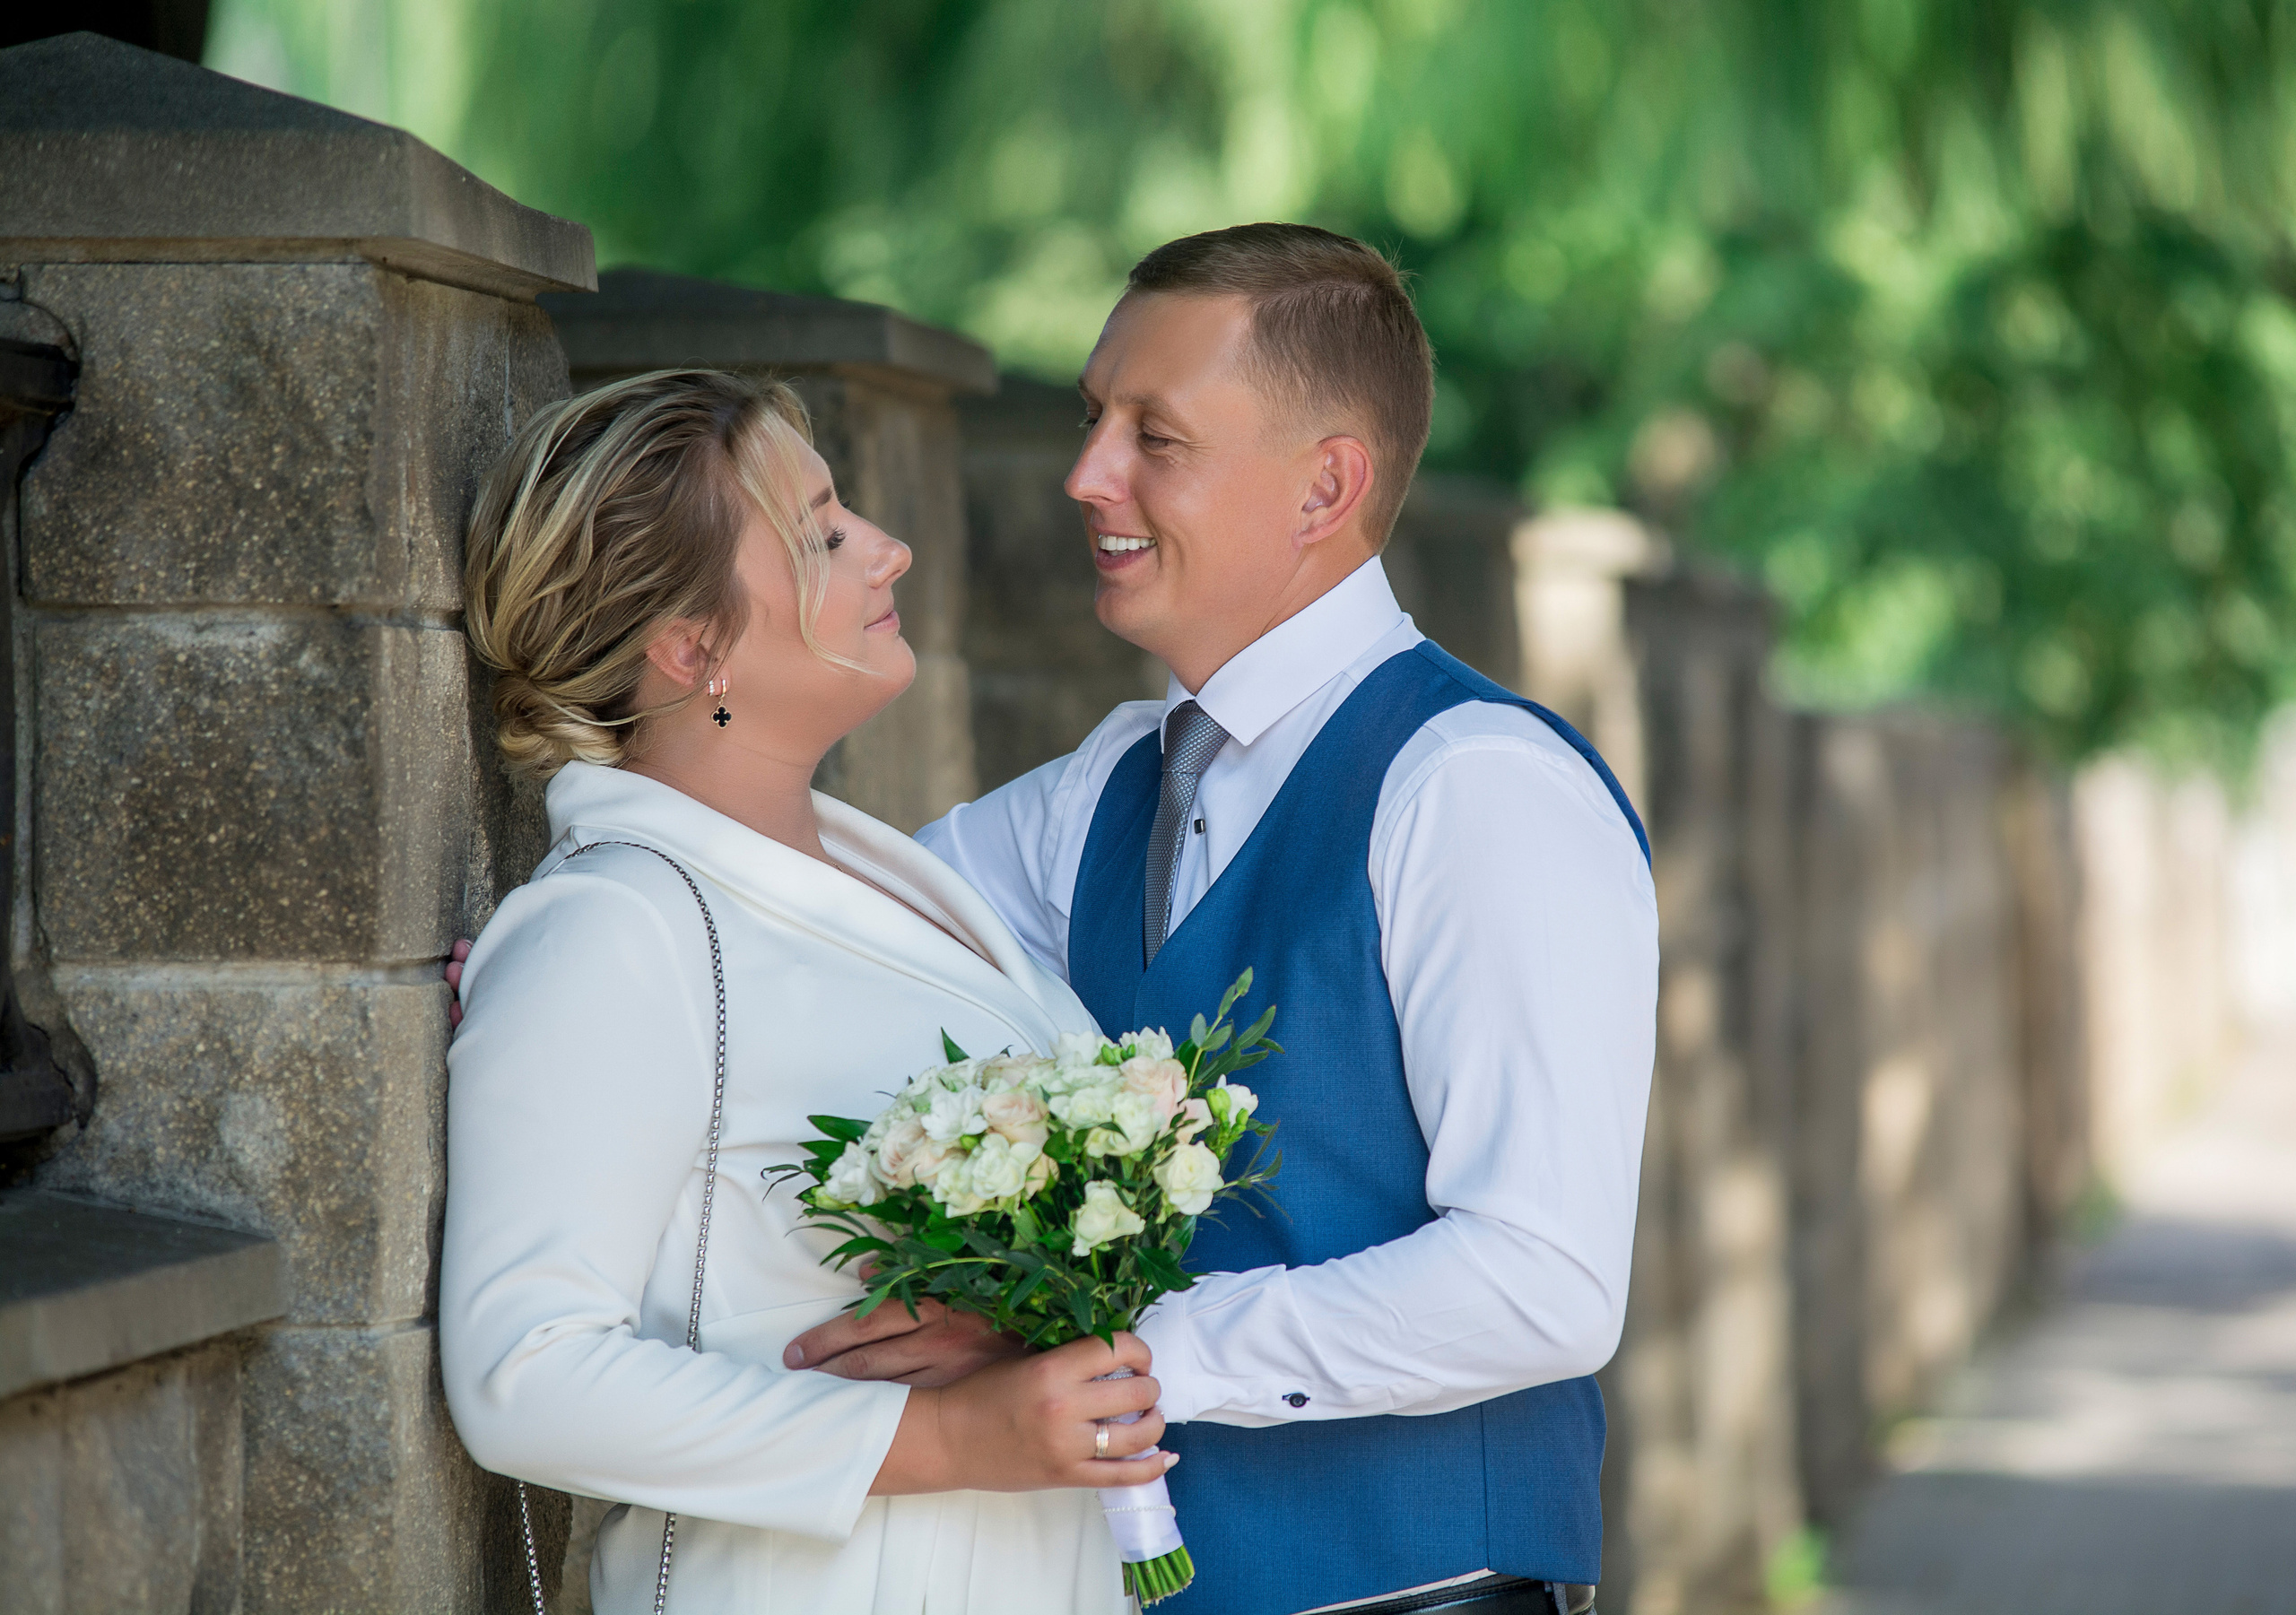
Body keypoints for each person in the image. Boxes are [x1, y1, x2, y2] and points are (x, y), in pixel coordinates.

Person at [785, 224, 1659, 1615]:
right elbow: (822, 913)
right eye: (1091, 420)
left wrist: (1137, 1351)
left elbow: (1543, 1276)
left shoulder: (1477, 788)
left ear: (1327, 485)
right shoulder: (1108, 786)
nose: (1085, 474)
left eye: (1157, 436)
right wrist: (604, 922)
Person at [437, 369, 1170, 1615]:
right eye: (824, 534)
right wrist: (949, 1439)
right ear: (690, 643)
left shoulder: (897, 873)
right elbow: (523, 1369)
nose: (888, 550)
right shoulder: (614, 928)